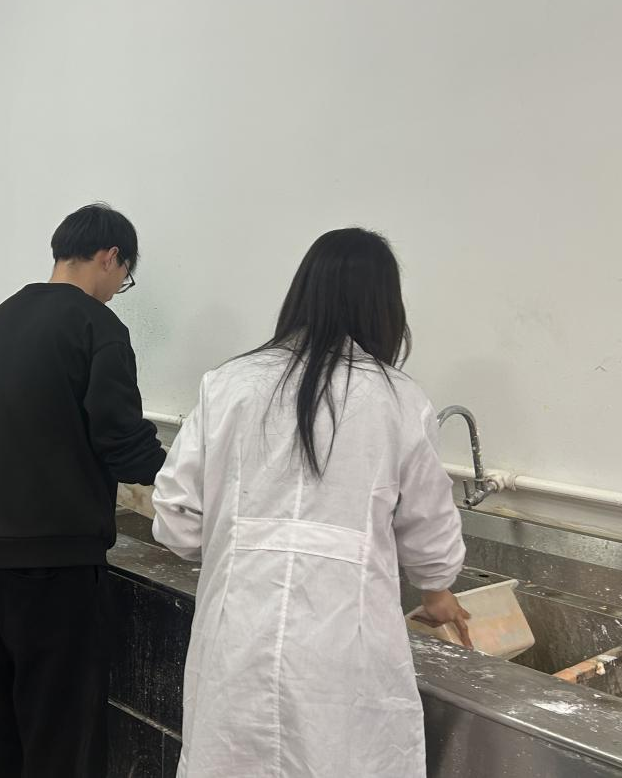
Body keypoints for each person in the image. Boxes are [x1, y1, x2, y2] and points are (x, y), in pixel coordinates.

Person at [151, 228, 471, 777]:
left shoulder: (228, 384)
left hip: (238, 641)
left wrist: (246, 551)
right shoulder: (399, 400)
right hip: (345, 650)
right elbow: (431, 539)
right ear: (384, 309)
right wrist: (437, 590)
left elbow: (176, 522)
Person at [0, 203, 166, 778]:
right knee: (59, 730)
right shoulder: (98, 327)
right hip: (57, 561)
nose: (118, 290)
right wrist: (189, 479)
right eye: (125, 276)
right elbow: (123, 442)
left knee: (0, 719)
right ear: (111, 256)